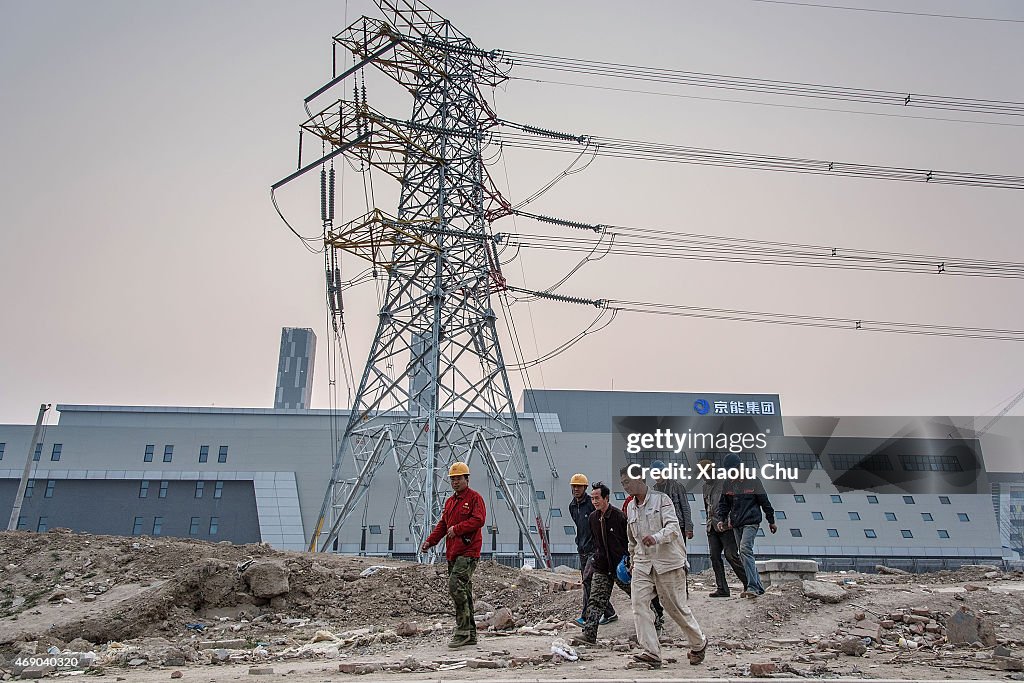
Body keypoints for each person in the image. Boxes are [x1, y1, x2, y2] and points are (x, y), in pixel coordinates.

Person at [621, 466, 707, 668]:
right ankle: (651, 652)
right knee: (639, 604)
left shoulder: (662, 500)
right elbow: (631, 539)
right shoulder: (630, 507)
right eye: (623, 483)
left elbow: (673, 528)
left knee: (675, 607)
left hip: (668, 562)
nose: (626, 486)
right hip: (643, 564)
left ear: (641, 478)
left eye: (628, 481)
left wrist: (656, 538)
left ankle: (699, 642)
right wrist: (633, 560)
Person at [421, 461, 486, 648]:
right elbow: (443, 524)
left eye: (459, 478)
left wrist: (457, 529)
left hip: (468, 551)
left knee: (455, 587)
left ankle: (463, 631)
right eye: (453, 479)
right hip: (453, 552)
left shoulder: (474, 498)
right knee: (464, 591)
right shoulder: (450, 502)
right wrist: (430, 541)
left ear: (467, 479)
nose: (456, 482)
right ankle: (470, 634)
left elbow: (479, 519)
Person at [571, 482, 630, 645]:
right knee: (595, 600)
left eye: (597, 498)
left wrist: (629, 562)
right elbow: (596, 542)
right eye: (592, 498)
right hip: (602, 567)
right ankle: (589, 635)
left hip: (620, 567)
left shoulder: (619, 517)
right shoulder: (593, 518)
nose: (595, 501)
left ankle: (657, 619)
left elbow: (628, 541)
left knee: (638, 596)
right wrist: (594, 561)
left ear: (606, 498)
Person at [715, 453, 777, 598]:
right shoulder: (728, 484)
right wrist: (721, 519)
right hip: (737, 524)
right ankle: (760, 587)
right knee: (744, 555)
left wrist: (771, 520)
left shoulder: (753, 481)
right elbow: (724, 504)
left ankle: (752, 587)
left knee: (745, 549)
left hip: (751, 521)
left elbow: (764, 502)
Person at [568, 472, 616, 627]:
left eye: (579, 487)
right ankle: (606, 613)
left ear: (585, 488)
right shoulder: (572, 506)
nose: (576, 489)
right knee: (589, 583)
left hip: (593, 549)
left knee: (589, 581)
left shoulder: (591, 503)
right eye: (574, 486)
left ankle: (591, 616)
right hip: (582, 548)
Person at [699, 457, 747, 597]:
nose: (704, 477)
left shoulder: (725, 483)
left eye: (705, 474)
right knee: (714, 557)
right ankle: (723, 589)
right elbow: (707, 506)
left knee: (731, 555)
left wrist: (730, 521)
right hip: (712, 527)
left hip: (726, 526)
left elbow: (732, 503)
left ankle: (749, 584)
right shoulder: (705, 487)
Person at [650, 459, 694, 545]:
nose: (656, 476)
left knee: (680, 553)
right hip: (662, 527)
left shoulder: (677, 486)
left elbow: (685, 506)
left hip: (678, 525)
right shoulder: (654, 489)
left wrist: (688, 527)